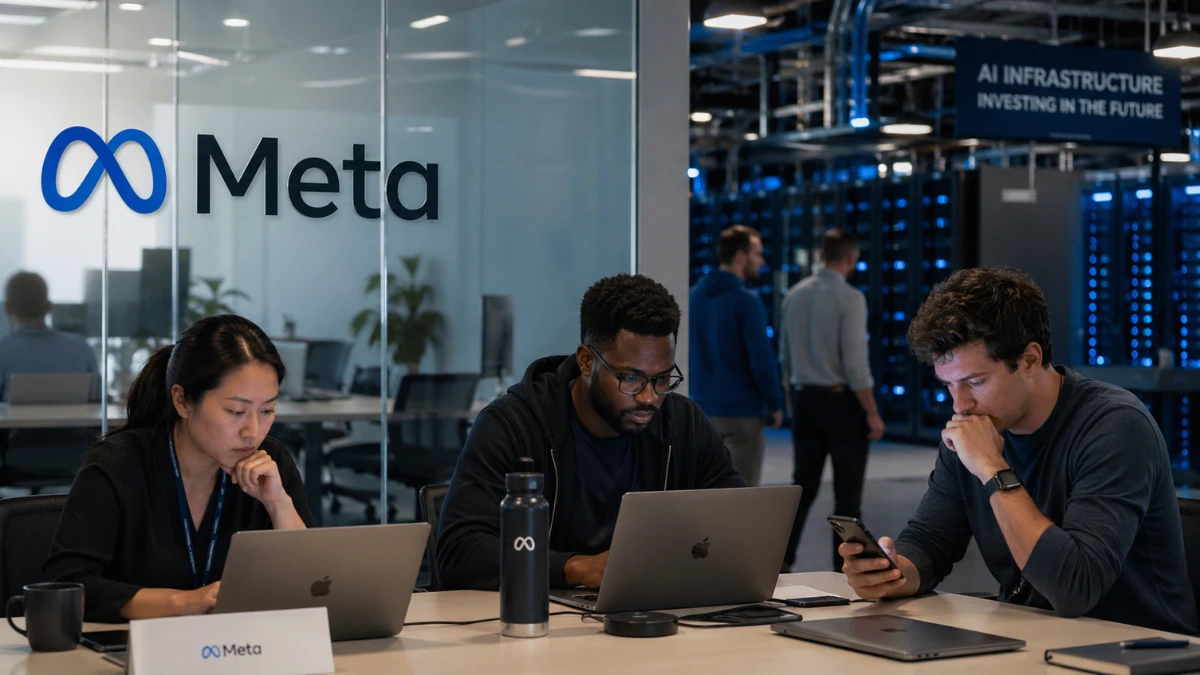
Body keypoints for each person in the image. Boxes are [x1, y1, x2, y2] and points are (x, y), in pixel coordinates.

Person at [840, 267, 1198, 635]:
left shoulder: (1116, 426)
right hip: (1033, 638)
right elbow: (930, 543)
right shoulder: (975, 424)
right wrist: (892, 573)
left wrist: (993, 469)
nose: (960, 405)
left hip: (1136, 647)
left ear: (1029, 360)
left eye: (975, 382)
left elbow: (1075, 588)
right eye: (948, 385)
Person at [437, 274, 746, 591]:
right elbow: (459, 552)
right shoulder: (513, 425)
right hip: (539, 624)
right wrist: (577, 569)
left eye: (662, 379)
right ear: (587, 361)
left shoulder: (683, 424)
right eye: (630, 378)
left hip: (652, 615)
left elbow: (741, 525)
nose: (649, 397)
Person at [45, 314, 314, 623]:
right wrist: (183, 602)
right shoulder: (119, 464)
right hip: (134, 654)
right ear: (182, 401)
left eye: (267, 410)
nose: (252, 430)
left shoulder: (270, 463)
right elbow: (67, 584)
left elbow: (314, 586)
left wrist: (279, 504)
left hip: (242, 651)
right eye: (236, 411)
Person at [778, 229, 883, 572]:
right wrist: (871, 413)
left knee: (801, 490)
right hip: (842, 405)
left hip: (806, 402)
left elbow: (786, 358)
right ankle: (846, 573)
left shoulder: (793, 295)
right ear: (851, 258)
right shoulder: (850, 298)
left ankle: (780, 562)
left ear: (822, 257)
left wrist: (794, 404)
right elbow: (855, 363)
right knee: (847, 498)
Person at [689, 225, 784, 486]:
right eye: (757, 253)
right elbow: (761, 362)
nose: (762, 261)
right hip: (741, 412)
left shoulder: (694, 296)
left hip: (702, 409)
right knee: (742, 496)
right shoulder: (747, 301)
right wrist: (774, 402)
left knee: (707, 490)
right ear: (740, 257)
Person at [0, 271, 99, 402]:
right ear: (49, 307)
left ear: (7, 308)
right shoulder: (80, 347)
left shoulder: (3, 350)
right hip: (75, 423)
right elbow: (98, 400)